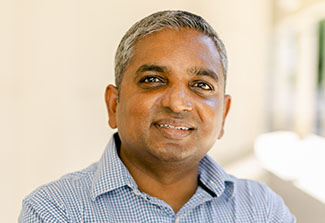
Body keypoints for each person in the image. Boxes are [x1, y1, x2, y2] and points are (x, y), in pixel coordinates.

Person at [19, 10, 296, 222]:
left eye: (201, 85)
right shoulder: (55, 211)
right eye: (153, 79)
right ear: (114, 105)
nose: (177, 103)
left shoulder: (263, 210)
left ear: (223, 115)